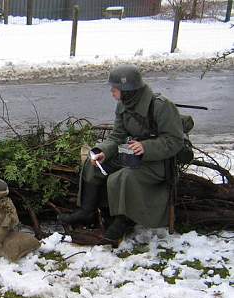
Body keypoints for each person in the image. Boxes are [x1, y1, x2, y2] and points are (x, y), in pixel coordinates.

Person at [58, 65, 184, 247]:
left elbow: (174, 140)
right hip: (130, 155)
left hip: (157, 163)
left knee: (123, 177)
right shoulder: (123, 106)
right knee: (92, 165)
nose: (112, 92)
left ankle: (122, 222)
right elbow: (117, 137)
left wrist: (146, 147)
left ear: (127, 90)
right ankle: (87, 211)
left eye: (115, 89)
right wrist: (103, 151)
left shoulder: (160, 106)